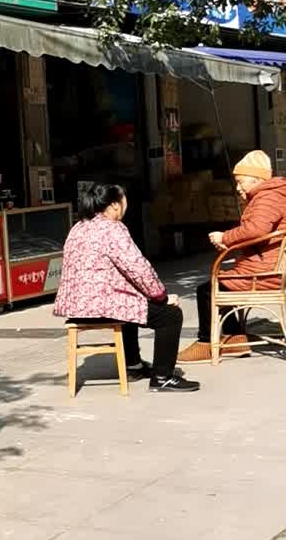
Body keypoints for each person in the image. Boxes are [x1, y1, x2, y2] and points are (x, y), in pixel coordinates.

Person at [54, 182, 199, 393]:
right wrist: (160, 296)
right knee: (170, 316)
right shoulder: (112, 229)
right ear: (114, 205)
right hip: (100, 305)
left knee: (130, 304)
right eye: (124, 201)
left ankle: (133, 366)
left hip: (76, 306)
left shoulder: (78, 227)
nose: (126, 205)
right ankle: (162, 377)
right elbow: (137, 268)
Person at [178, 151, 286, 363]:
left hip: (264, 272)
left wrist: (225, 237)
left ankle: (207, 343)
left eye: (241, 182)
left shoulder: (268, 197)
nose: (238, 187)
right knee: (221, 282)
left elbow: (256, 229)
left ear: (257, 179)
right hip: (265, 266)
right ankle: (234, 340)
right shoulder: (270, 195)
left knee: (208, 289)